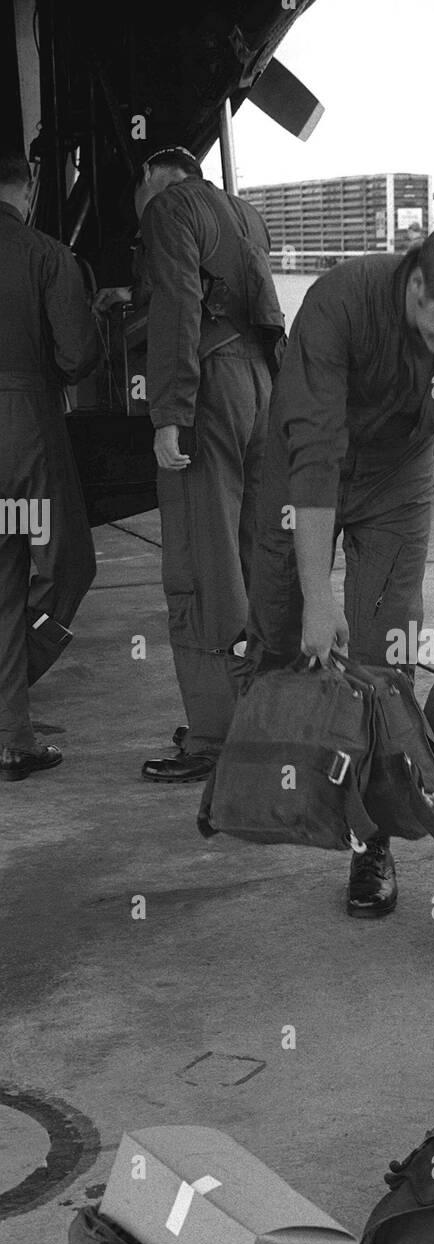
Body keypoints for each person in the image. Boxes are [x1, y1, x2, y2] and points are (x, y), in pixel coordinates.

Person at [245, 217, 434, 917]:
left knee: (385, 654)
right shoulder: (340, 304)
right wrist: (318, 598)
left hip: (398, 479)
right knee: (283, 635)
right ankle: (267, 783)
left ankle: (369, 838)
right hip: (302, 473)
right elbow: (313, 458)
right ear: (415, 286)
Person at [121, 146, 283, 783]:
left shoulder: (169, 206)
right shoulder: (243, 213)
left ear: (153, 178)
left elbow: (179, 306)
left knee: (198, 559)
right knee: (247, 555)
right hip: (258, 385)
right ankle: (258, 718)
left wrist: (169, 411)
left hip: (209, 390)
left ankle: (215, 740)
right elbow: (252, 303)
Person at [0, 152, 99, 783]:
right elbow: (76, 353)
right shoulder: (45, 255)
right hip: (21, 428)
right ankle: (9, 727)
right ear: (29, 192)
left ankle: (14, 738)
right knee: (63, 562)